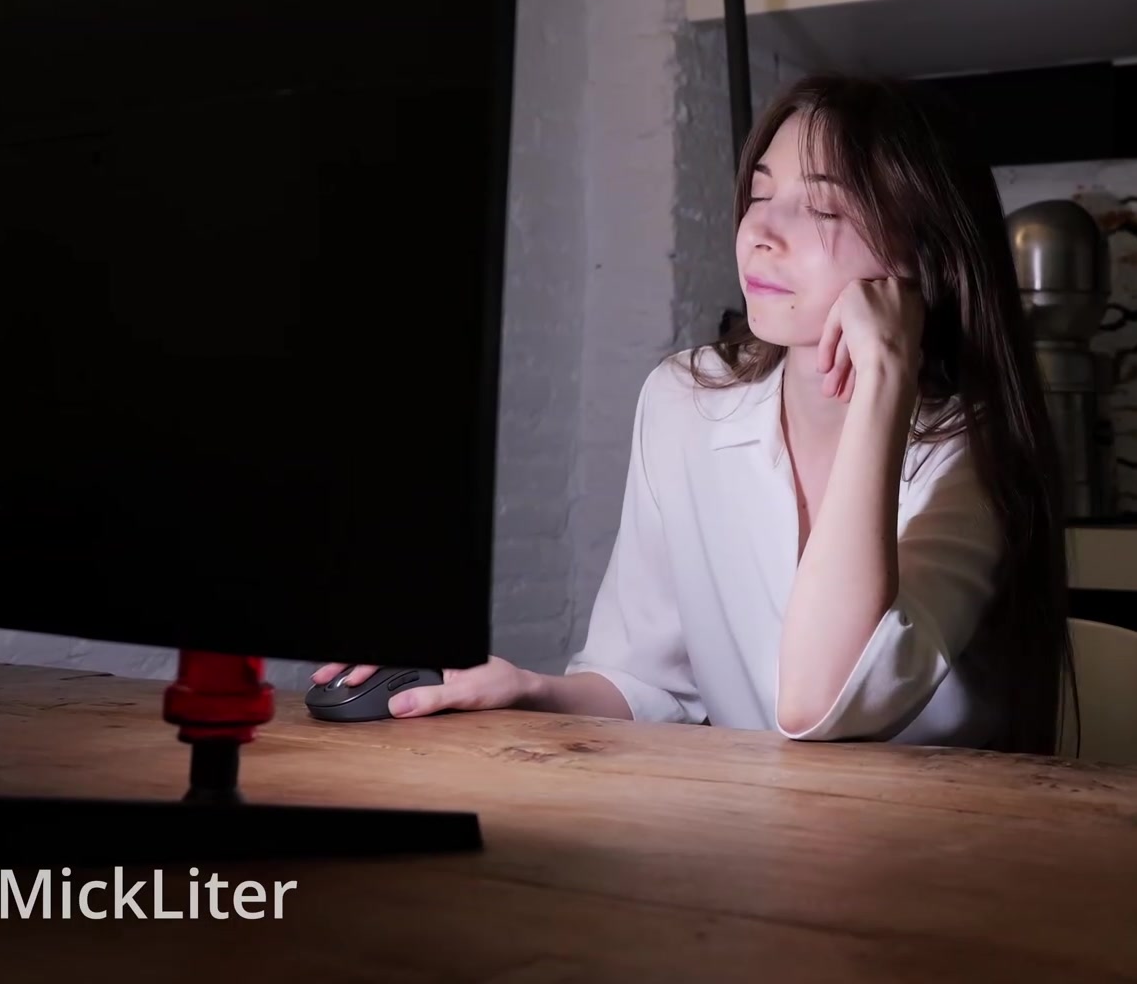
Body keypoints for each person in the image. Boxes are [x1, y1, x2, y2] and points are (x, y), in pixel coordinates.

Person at [315, 73, 1074, 754]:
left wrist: (884, 377)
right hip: (752, 839)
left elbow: (819, 705)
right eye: (760, 195)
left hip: (941, 845)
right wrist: (526, 689)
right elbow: (650, 684)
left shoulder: (971, 446)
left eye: (821, 206)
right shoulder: (685, 402)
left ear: (922, 255)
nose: (761, 233)